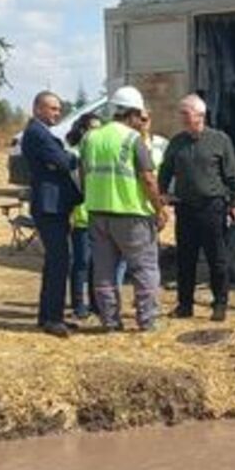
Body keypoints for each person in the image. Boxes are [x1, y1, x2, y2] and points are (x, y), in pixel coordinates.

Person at [80, 86, 167, 332]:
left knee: (104, 271)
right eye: (139, 116)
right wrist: (159, 208)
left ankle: (110, 321)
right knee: (144, 269)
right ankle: (147, 320)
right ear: (130, 114)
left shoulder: (90, 137)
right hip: (132, 215)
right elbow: (148, 179)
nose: (141, 121)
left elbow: (83, 174)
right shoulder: (133, 140)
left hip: (97, 213)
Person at [157, 93, 235, 321]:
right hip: (185, 208)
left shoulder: (219, 140)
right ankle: (185, 305)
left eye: (186, 113)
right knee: (185, 259)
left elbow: (232, 173)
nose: (182, 118)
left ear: (200, 115)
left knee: (217, 258)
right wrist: (161, 193)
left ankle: (220, 304)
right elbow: (165, 170)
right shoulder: (177, 142)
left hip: (212, 207)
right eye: (181, 113)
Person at [19, 90, 79, 337]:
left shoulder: (41, 133)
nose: (57, 113)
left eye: (58, 109)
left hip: (54, 204)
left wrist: (63, 159)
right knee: (59, 261)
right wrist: (69, 158)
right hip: (49, 205)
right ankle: (53, 318)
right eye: (52, 109)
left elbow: (60, 161)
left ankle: (48, 315)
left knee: (55, 262)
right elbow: (64, 162)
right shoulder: (37, 134)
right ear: (37, 109)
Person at [64, 111, 104, 322]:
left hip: (98, 214)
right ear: (82, 130)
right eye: (91, 128)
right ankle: (79, 304)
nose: (95, 133)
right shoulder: (75, 154)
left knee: (98, 263)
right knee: (81, 262)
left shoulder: (99, 153)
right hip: (80, 215)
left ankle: (96, 303)